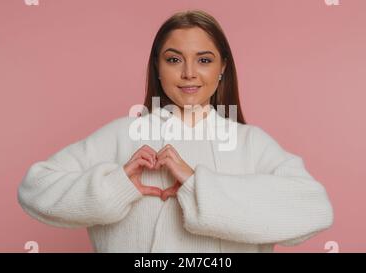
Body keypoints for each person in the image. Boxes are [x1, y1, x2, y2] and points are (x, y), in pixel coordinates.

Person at [17, 10, 333, 253]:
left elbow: (314, 208)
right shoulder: (121, 135)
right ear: (157, 66)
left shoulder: (251, 143)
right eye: (174, 59)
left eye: (204, 60)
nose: (189, 73)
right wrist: (115, 186)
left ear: (222, 67)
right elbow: (34, 188)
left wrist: (199, 186)